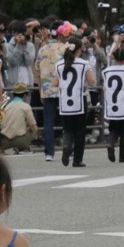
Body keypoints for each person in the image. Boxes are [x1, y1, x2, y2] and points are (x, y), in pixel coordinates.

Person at [55, 35, 95, 167]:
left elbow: (55, 83)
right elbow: (92, 82)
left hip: (64, 101)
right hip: (79, 99)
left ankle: (66, 145)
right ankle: (77, 159)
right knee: (80, 131)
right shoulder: (84, 63)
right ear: (79, 49)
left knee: (67, 129)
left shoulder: (59, 64)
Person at [33, 21, 71, 161]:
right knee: (67, 120)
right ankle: (69, 150)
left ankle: (49, 152)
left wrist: (40, 89)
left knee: (48, 121)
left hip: (47, 89)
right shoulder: (66, 48)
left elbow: (37, 70)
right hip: (64, 89)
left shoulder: (43, 49)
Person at [0, 82, 38, 154]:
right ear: (25, 95)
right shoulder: (26, 107)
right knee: (34, 129)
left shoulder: (7, 107)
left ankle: (9, 150)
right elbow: (33, 126)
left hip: (5, 141)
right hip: (19, 141)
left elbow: (2, 125)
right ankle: (24, 147)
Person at [5, 20, 36, 87]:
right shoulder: (8, 46)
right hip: (13, 82)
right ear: (13, 33)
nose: (21, 35)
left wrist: (24, 47)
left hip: (27, 81)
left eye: (22, 33)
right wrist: (18, 46)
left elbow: (29, 62)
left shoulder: (30, 45)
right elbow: (13, 62)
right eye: (18, 33)